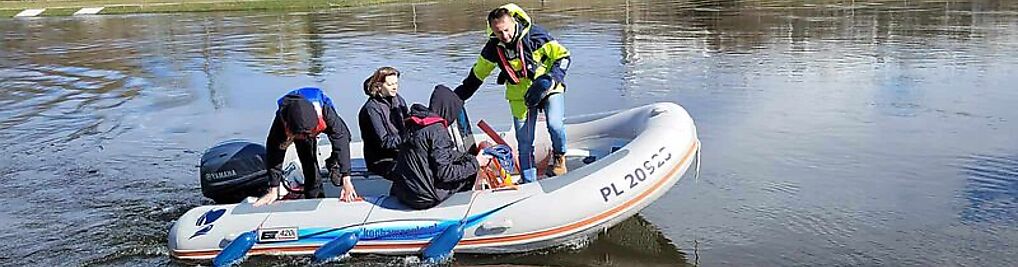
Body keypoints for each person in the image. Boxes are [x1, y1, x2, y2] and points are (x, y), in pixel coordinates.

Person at [453, 3, 572, 183]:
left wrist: (550, 79)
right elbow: (477, 75)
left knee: (555, 125)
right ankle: (529, 182)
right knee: (524, 143)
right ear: (492, 30)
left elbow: (563, 57)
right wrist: (456, 97)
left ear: (514, 22)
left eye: (507, 30)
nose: (505, 36)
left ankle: (559, 156)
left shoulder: (536, 36)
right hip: (519, 95)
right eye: (499, 32)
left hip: (548, 87)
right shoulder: (493, 47)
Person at [389, 85, 490, 209]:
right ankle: (465, 209)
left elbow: (436, 154)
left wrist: (468, 157)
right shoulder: (438, 131)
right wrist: (477, 163)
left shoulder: (415, 122)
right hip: (423, 198)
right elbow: (445, 173)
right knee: (470, 173)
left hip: (403, 192)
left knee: (468, 164)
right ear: (449, 110)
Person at [254, 87, 358, 206]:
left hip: (314, 119)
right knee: (309, 165)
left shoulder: (325, 112)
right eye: (303, 135)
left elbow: (341, 139)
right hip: (295, 123)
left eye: (310, 134)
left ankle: (333, 163)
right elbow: (274, 153)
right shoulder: (281, 125)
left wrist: (346, 178)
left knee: (345, 136)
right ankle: (314, 199)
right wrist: (274, 189)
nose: (308, 136)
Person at [358, 67, 409, 177]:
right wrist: (408, 139)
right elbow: (384, 142)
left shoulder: (398, 100)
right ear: (379, 86)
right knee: (413, 171)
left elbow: (408, 122)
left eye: (396, 83)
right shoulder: (371, 109)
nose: (395, 87)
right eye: (390, 85)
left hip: (400, 153)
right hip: (381, 160)